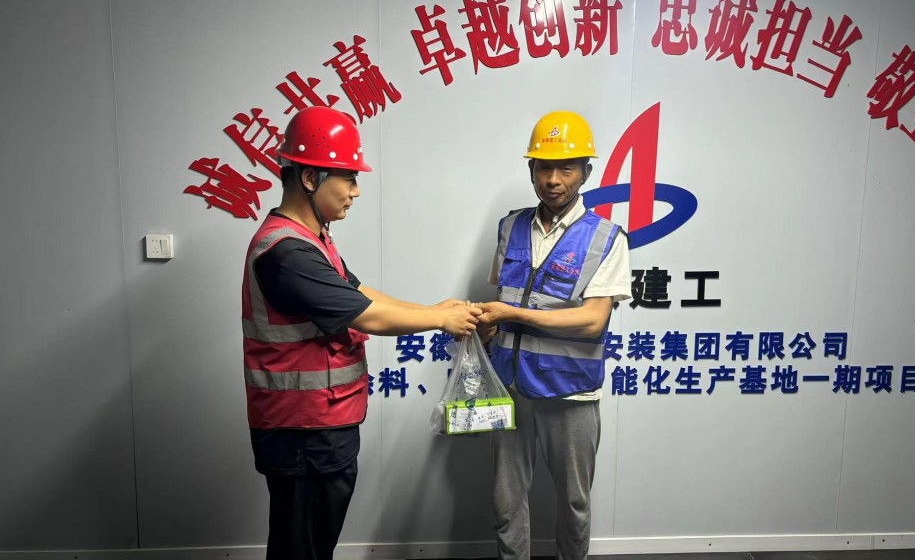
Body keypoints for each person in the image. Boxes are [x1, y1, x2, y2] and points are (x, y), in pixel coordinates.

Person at [241, 106, 481, 560]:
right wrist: (440, 320)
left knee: (313, 543)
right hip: (302, 432)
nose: (355, 191)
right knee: (301, 548)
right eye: (348, 177)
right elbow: (366, 315)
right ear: (309, 177)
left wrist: (435, 309)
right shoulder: (287, 254)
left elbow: (356, 292)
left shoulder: (311, 239)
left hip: (319, 425)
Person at [476, 111, 631, 560]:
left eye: (566, 168)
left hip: (571, 393)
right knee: (505, 503)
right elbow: (502, 298)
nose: (553, 180)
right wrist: (484, 324)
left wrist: (511, 313)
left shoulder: (606, 239)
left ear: (586, 172)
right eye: (544, 167)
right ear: (531, 169)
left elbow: (593, 321)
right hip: (510, 387)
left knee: (574, 504)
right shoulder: (510, 226)